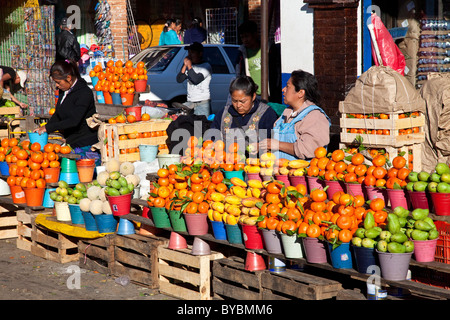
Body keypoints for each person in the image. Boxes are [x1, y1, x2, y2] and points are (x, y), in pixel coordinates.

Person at [258, 70, 331, 160]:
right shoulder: (285, 114)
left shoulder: (315, 116)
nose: (283, 89)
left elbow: (309, 149)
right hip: (280, 171)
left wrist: (277, 144)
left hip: (303, 172)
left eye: (288, 86)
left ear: (300, 93)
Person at [33, 60, 98, 149]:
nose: (56, 85)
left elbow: (74, 120)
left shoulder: (84, 93)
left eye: (58, 82)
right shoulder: (63, 91)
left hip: (84, 143)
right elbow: (58, 113)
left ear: (68, 78)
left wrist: (48, 128)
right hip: (70, 141)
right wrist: (45, 128)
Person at [210, 76, 278, 157]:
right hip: (226, 165)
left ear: (253, 96)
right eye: (234, 101)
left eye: (243, 101)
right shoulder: (223, 113)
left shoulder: (266, 114)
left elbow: (273, 143)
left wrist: (260, 146)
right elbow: (212, 138)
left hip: (254, 165)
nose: (238, 105)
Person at [176, 42, 212, 117]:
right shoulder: (189, 67)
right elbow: (179, 79)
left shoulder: (206, 66)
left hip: (202, 103)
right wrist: (184, 66)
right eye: (189, 52)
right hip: (190, 101)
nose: (189, 55)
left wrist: (189, 66)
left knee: (199, 127)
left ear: (200, 54)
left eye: (192, 53)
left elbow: (196, 80)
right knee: (189, 125)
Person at [235, 20, 262, 97]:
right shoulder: (241, 53)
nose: (245, 40)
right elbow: (239, 74)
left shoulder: (267, 49)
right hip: (252, 94)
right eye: (242, 37)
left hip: (269, 94)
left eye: (247, 36)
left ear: (255, 34)